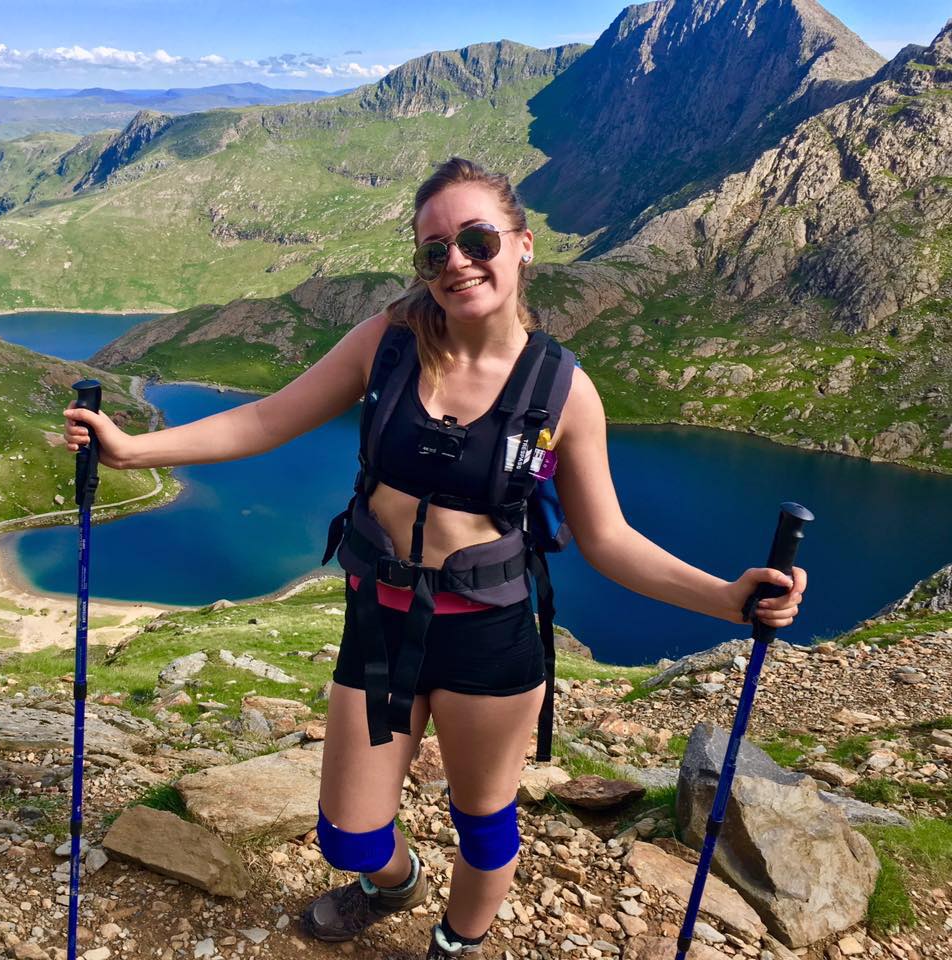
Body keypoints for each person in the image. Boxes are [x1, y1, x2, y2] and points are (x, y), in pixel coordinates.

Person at [64, 157, 807, 959]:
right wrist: (134, 452)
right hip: (378, 619)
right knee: (348, 835)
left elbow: (608, 539)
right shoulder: (389, 341)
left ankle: (457, 942)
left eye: (477, 239)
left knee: (483, 820)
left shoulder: (562, 391)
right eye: (434, 250)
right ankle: (395, 882)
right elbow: (267, 420)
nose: (456, 261)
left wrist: (728, 599)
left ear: (522, 247)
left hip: (489, 635)